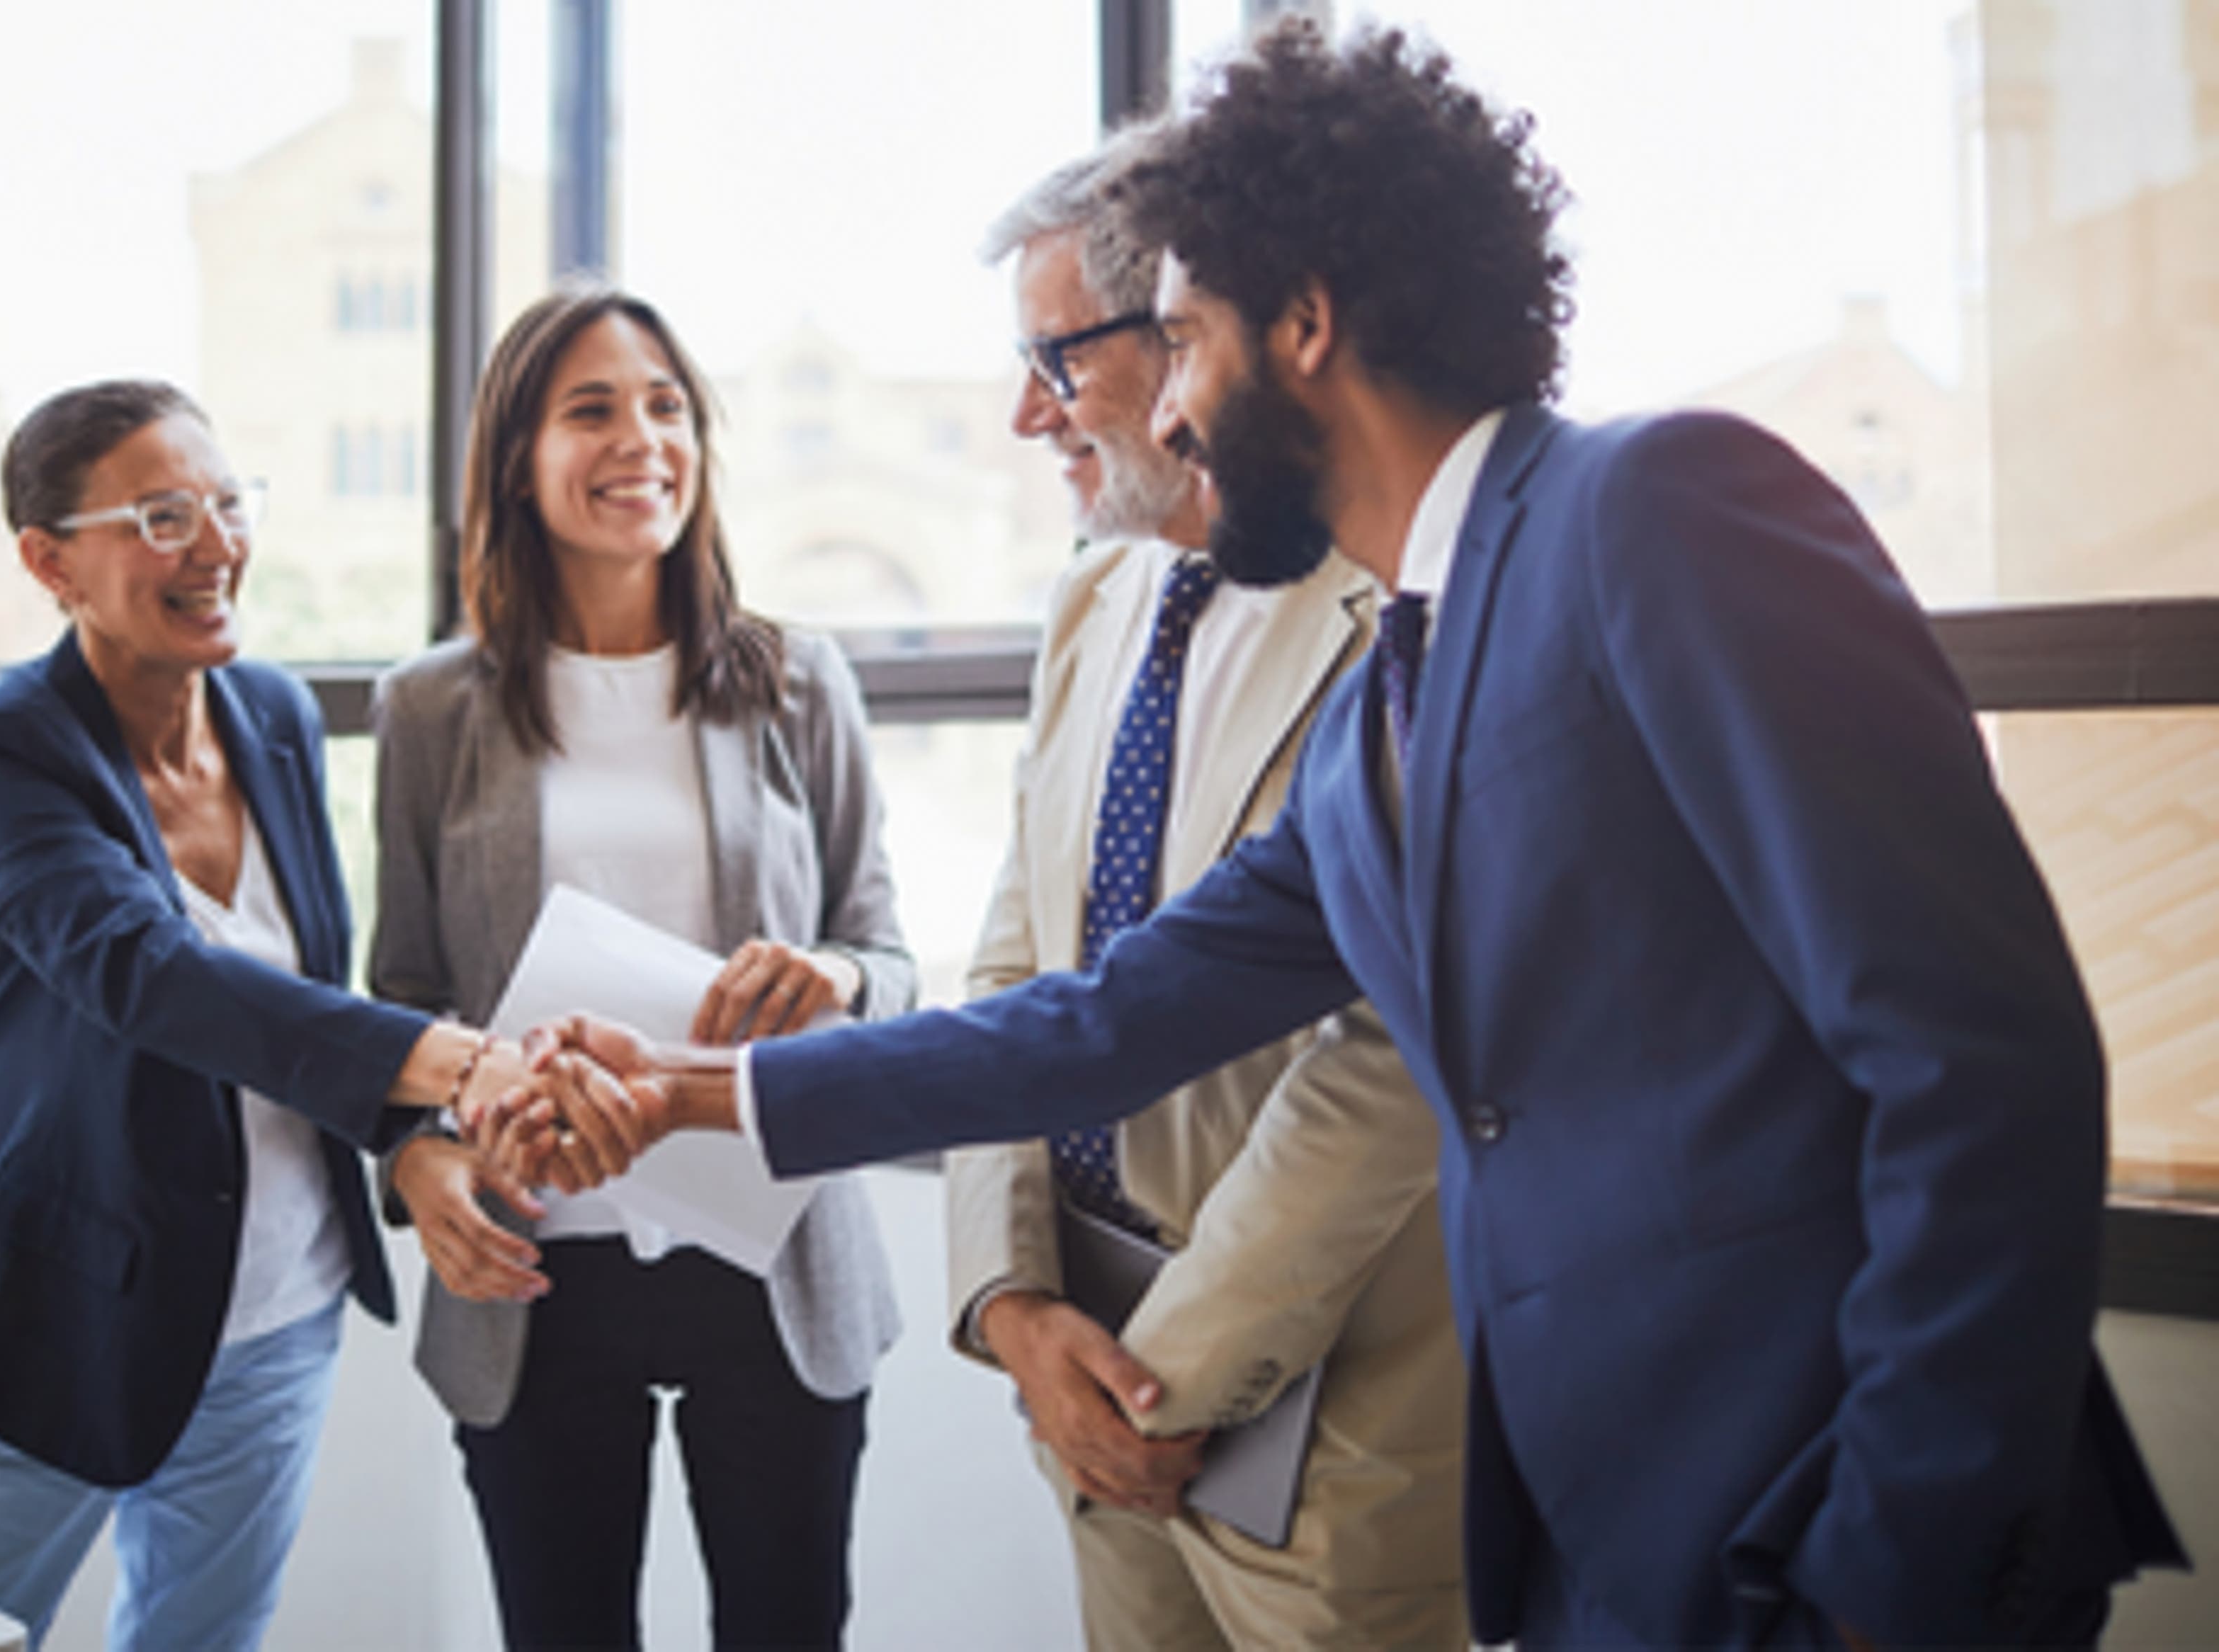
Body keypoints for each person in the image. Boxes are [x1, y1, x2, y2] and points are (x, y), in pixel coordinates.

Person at [506, 21, 2189, 1649]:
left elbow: (1984, 1061)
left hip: (1826, 1532)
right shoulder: (1396, 686)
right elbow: (1103, 1021)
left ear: (1305, 322)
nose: (1163, 414)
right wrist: (689, 1099)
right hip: (1608, 1546)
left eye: (1186, 339)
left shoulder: (1661, 511)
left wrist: (1897, 1575)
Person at [0, 380, 526, 1649]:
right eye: (164, 517)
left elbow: (304, 1003)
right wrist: (440, 1057)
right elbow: (145, 974)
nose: (219, 546)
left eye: (228, 506)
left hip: (276, 1313)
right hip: (52, 1309)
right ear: (48, 559)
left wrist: (410, 1134)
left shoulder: (273, 714)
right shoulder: (7, 752)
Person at [946, 147, 1464, 1648]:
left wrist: (1162, 1374)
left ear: (1189, 339)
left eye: (1058, 361)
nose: (1027, 414)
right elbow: (1013, 971)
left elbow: (1388, 1064)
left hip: (1328, 1416)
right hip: (1081, 1360)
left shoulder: (1396, 611)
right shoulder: (1092, 595)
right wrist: (1011, 1307)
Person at [370, 280, 913, 1652]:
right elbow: (400, 1000)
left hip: (771, 1254)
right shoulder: (432, 707)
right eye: (594, 409)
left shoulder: (800, 681)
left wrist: (837, 981)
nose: (643, 441)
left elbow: (890, 958)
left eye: (668, 407)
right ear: (518, 457)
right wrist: (417, 1156)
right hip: (539, 1267)